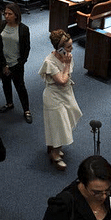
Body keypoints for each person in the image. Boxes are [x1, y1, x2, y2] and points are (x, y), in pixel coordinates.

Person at [39, 156, 111, 220]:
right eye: (96, 192)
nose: (104, 196)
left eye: (107, 190)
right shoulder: (64, 203)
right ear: (83, 184)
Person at [38, 29, 82, 171]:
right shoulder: (49, 62)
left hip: (66, 94)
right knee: (60, 125)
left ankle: (54, 146)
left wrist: (67, 62)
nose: (71, 49)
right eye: (68, 47)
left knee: (68, 119)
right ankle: (55, 154)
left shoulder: (67, 55)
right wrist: (67, 65)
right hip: (54, 96)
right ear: (59, 47)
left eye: (71, 45)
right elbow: (62, 80)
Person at [0, 3, 32, 123]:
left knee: (20, 87)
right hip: (3, 63)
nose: (6, 16)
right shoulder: (2, 25)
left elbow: (26, 50)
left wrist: (18, 64)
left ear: (16, 15)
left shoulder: (23, 29)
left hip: (16, 64)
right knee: (5, 84)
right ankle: (9, 103)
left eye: (10, 14)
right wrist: (4, 65)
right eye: (5, 13)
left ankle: (26, 110)